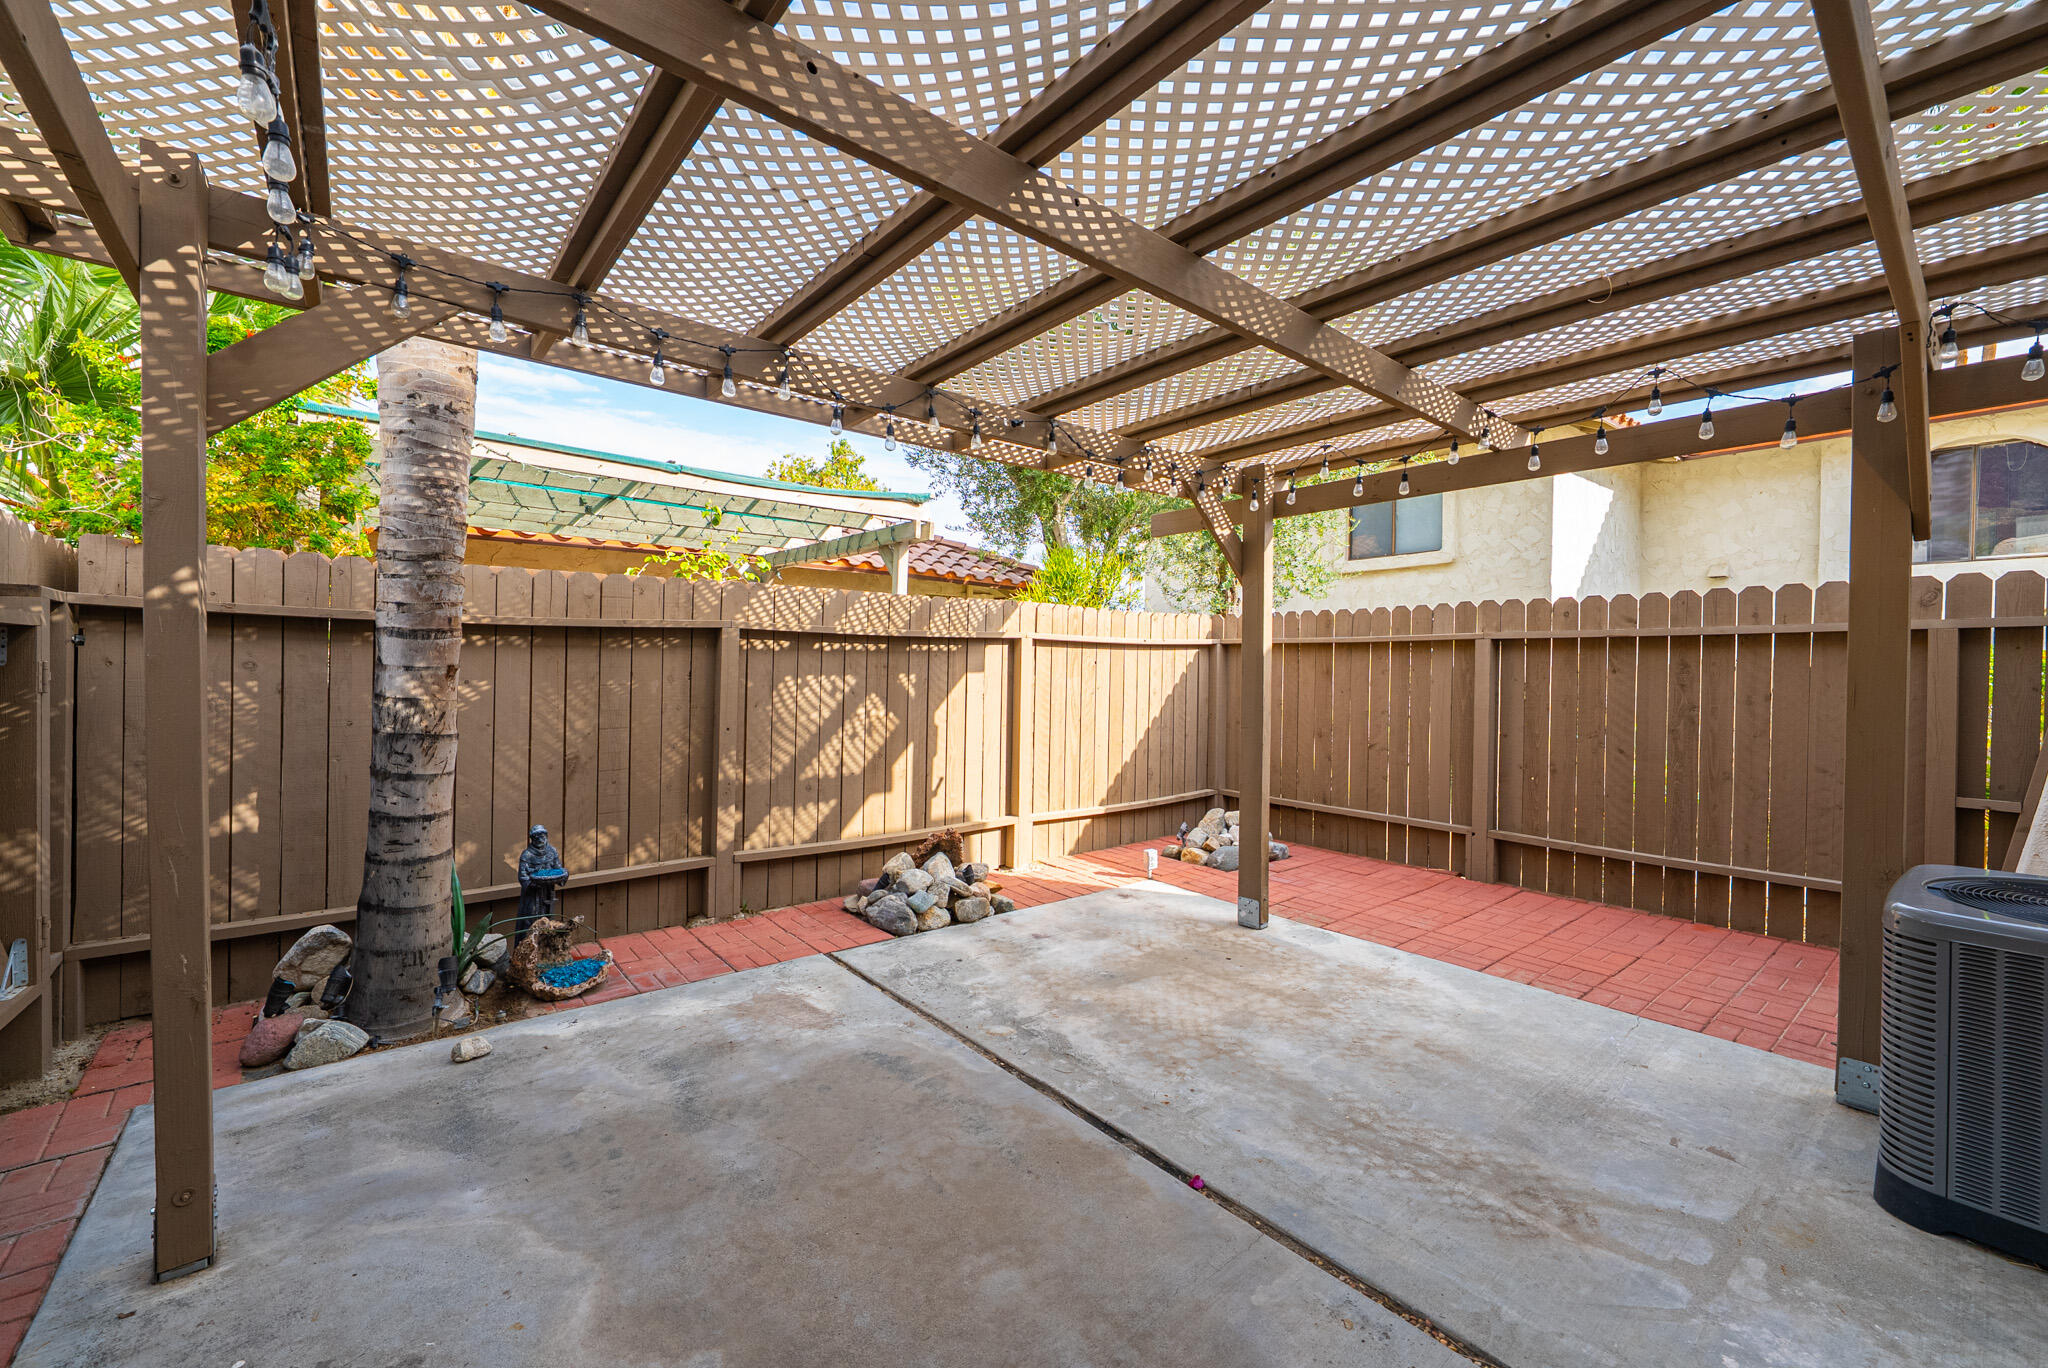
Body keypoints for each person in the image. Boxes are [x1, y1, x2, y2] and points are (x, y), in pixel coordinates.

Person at [515, 825, 567, 941]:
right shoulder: (527, 855)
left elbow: (557, 868)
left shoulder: (552, 851)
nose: (539, 839)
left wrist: (563, 875)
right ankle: (528, 948)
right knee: (531, 921)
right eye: (536, 837)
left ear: (546, 836)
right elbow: (523, 877)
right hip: (532, 896)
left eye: (542, 836)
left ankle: (547, 948)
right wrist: (535, 883)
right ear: (532, 838)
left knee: (548, 919)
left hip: (548, 892)